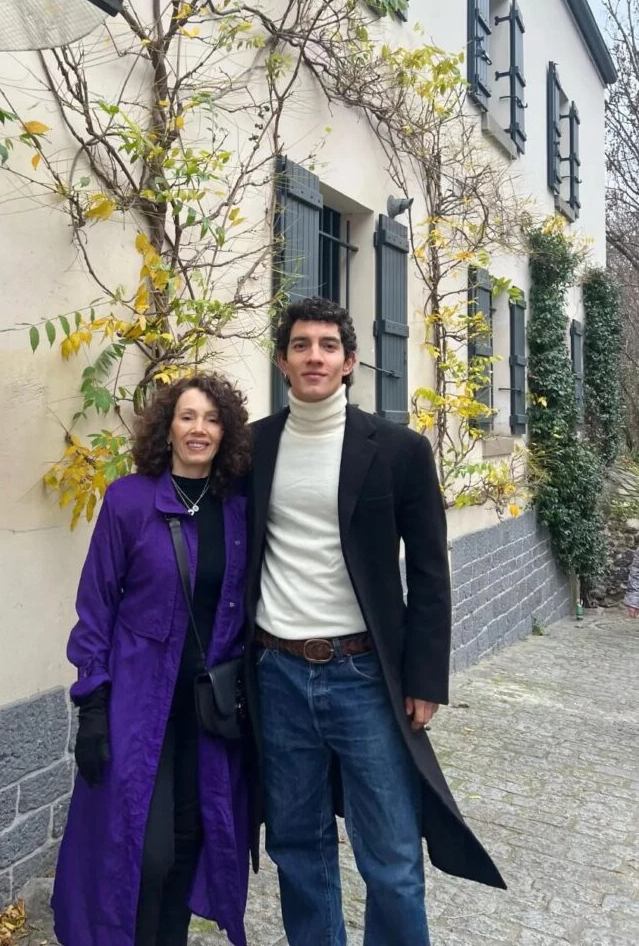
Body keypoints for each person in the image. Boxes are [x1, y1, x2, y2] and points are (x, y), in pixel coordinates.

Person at [244, 297, 506, 946]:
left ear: (349, 362)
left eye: (327, 345)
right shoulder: (253, 446)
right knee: (295, 846)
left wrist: (425, 678)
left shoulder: (397, 450)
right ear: (282, 362)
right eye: (300, 345)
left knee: (390, 856)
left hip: (363, 675)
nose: (314, 356)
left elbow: (430, 571)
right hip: (276, 673)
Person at [52, 373, 254, 946]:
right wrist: (93, 704)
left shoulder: (236, 509)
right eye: (187, 417)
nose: (199, 429)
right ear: (167, 429)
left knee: (191, 843)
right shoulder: (128, 501)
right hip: (139, 706)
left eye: (212, 419)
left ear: (225, 432)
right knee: (146, 852)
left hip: (207, 712)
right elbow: (96, 607)